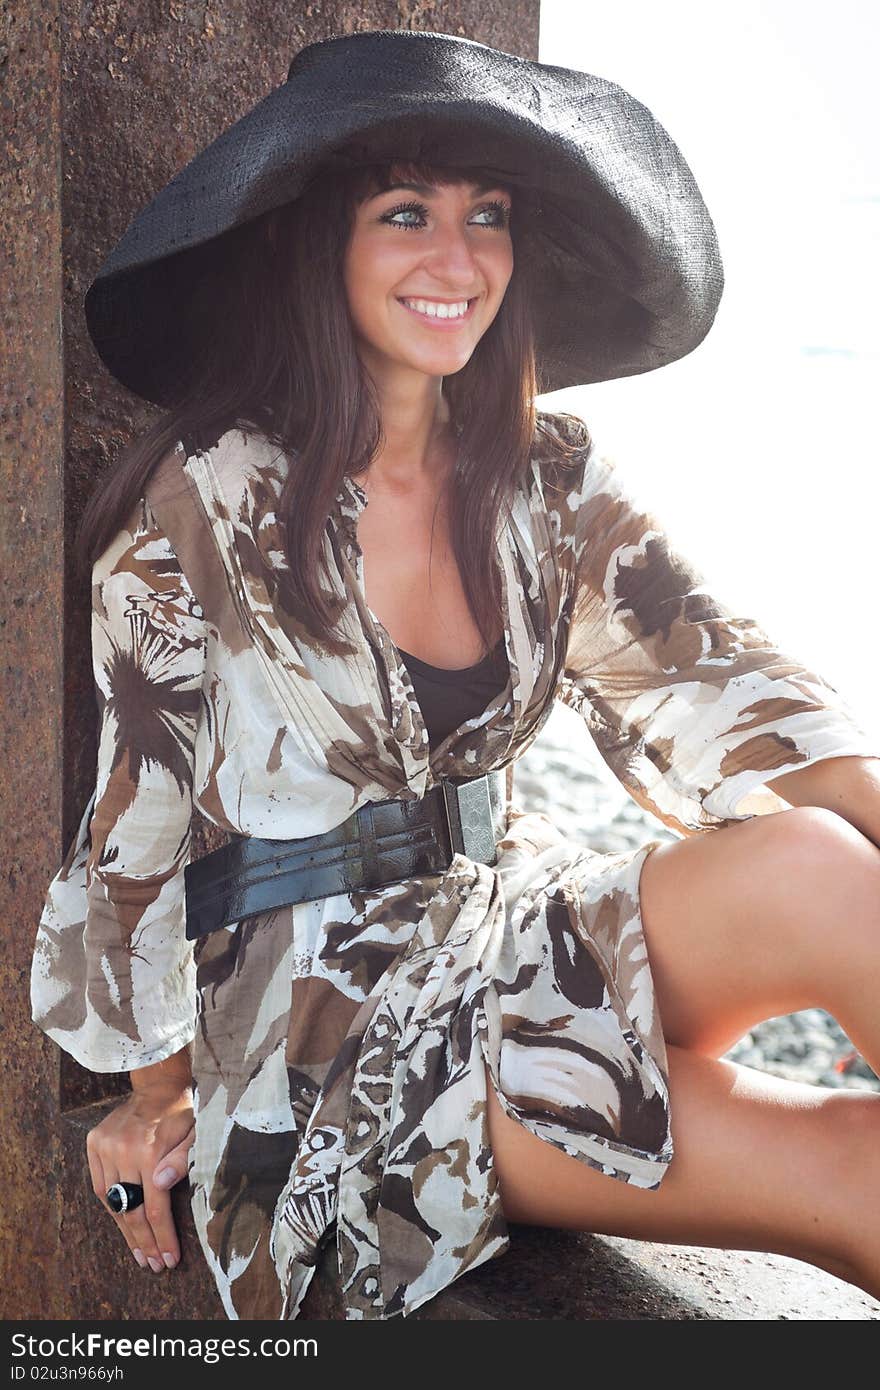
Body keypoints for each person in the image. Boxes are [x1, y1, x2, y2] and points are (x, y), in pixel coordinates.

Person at [31, 28, 880, 1321]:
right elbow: (130, 839)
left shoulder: (541, 476)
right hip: (322, 1057)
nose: (459, 259)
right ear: (320, 242)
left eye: (487, 215)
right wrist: (152, 1100)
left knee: (820, 860)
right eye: (407, 213)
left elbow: (737, 685)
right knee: (853, 1170)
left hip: (492, 935)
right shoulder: (202, 502)